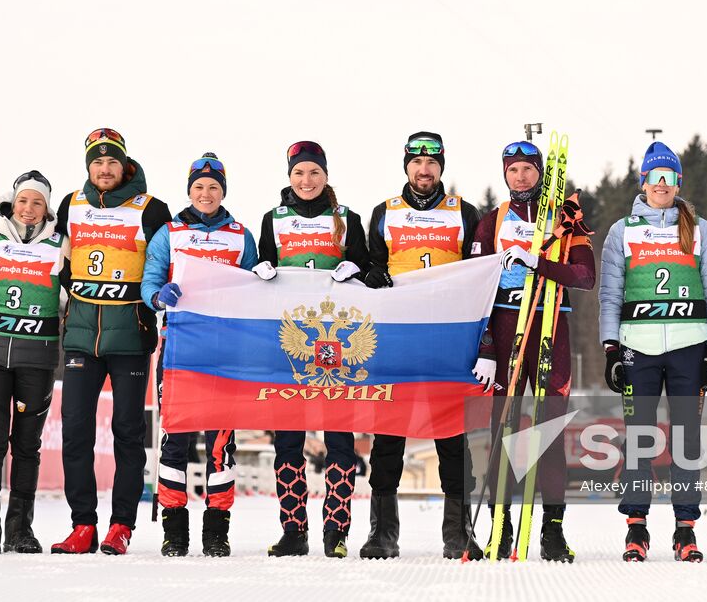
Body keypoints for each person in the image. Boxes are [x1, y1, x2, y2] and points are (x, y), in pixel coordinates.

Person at [359, 132, 487, 560]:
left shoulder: (465, 212)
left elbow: (481, 276)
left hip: (449, 340)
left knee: (453, 437)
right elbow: (370, 267)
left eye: (431, 164)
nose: (424, 170)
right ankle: (382, 533)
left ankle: (459, 533)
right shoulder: (384, 213)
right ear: (407, 167)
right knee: (388, 436)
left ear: (441, 168)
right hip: (396, 339)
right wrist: (372, 275)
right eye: (416, 162)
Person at [598, 142, 707, 563]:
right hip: (639, 347)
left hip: (690, 346)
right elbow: (610, 294)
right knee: (640, 439)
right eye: (655, 178)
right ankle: (637, 527)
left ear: (678, 183)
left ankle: (685, 529)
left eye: (669, 178)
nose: (662, 185)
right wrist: (610, 348)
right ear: (644, 183)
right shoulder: (623, 230)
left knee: (687, 438)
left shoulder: (700, 228)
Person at [473, 140, 596, 562]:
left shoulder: (566, 220)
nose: (521, 177)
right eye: (513, 170)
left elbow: (584, 277)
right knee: (502, 430)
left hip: (550, 326)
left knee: (550, 431)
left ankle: (552, 531)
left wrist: (537, 263)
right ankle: (500, 528)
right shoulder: (492, 222)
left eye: (528, 169)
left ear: (542, 173)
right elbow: (477, 289)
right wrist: (486, 345)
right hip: (505, 328)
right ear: (504, 175)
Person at [51, 129, 171, 556]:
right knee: (76, 432)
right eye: (96, 163)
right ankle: (82, 524)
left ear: (125, 166)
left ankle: (121, 525)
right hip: (83, 337)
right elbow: (60, 260)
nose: (104, 169)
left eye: (112, 162)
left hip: (131, 337)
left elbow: (166, 263)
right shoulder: (70, 204)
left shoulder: (152, 208)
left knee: (127, 432)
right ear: (89, 167)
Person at [255, 140, 369, 559]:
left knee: (339, 438)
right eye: (299, 173)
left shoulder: (345, 218)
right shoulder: (273, 219)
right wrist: (260, 269)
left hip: (335, 343)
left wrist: (356, 267)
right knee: (288, 441)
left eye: (314, 173)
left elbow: (372, 268)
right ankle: (294, 532)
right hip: (289, 343)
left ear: (326, 176)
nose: (307, 180)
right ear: (289, 177)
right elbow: (260, 265)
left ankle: (336, 532)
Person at [141, 153, 258, 558]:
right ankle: (174, 531)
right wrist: (158, 296)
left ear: (223, 191)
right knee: (175, 437)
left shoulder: (241, 234)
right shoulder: (169, 232)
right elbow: (151, 280)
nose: (206, 194)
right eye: (198, 187)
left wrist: (261, 276)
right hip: (179, 348)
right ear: (189, 190)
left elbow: (256, 283)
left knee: (222, 442)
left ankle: (216, 530)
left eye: (213, 187)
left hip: (226, 351)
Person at [0, 171, 69, 554]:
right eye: (24, 201)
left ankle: (20, 529)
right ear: (13, 202)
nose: (29, 209)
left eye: (37, 202)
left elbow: (69, 296)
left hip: (37, 356)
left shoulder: (61, 245)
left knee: (27, 446)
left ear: (47, 209)